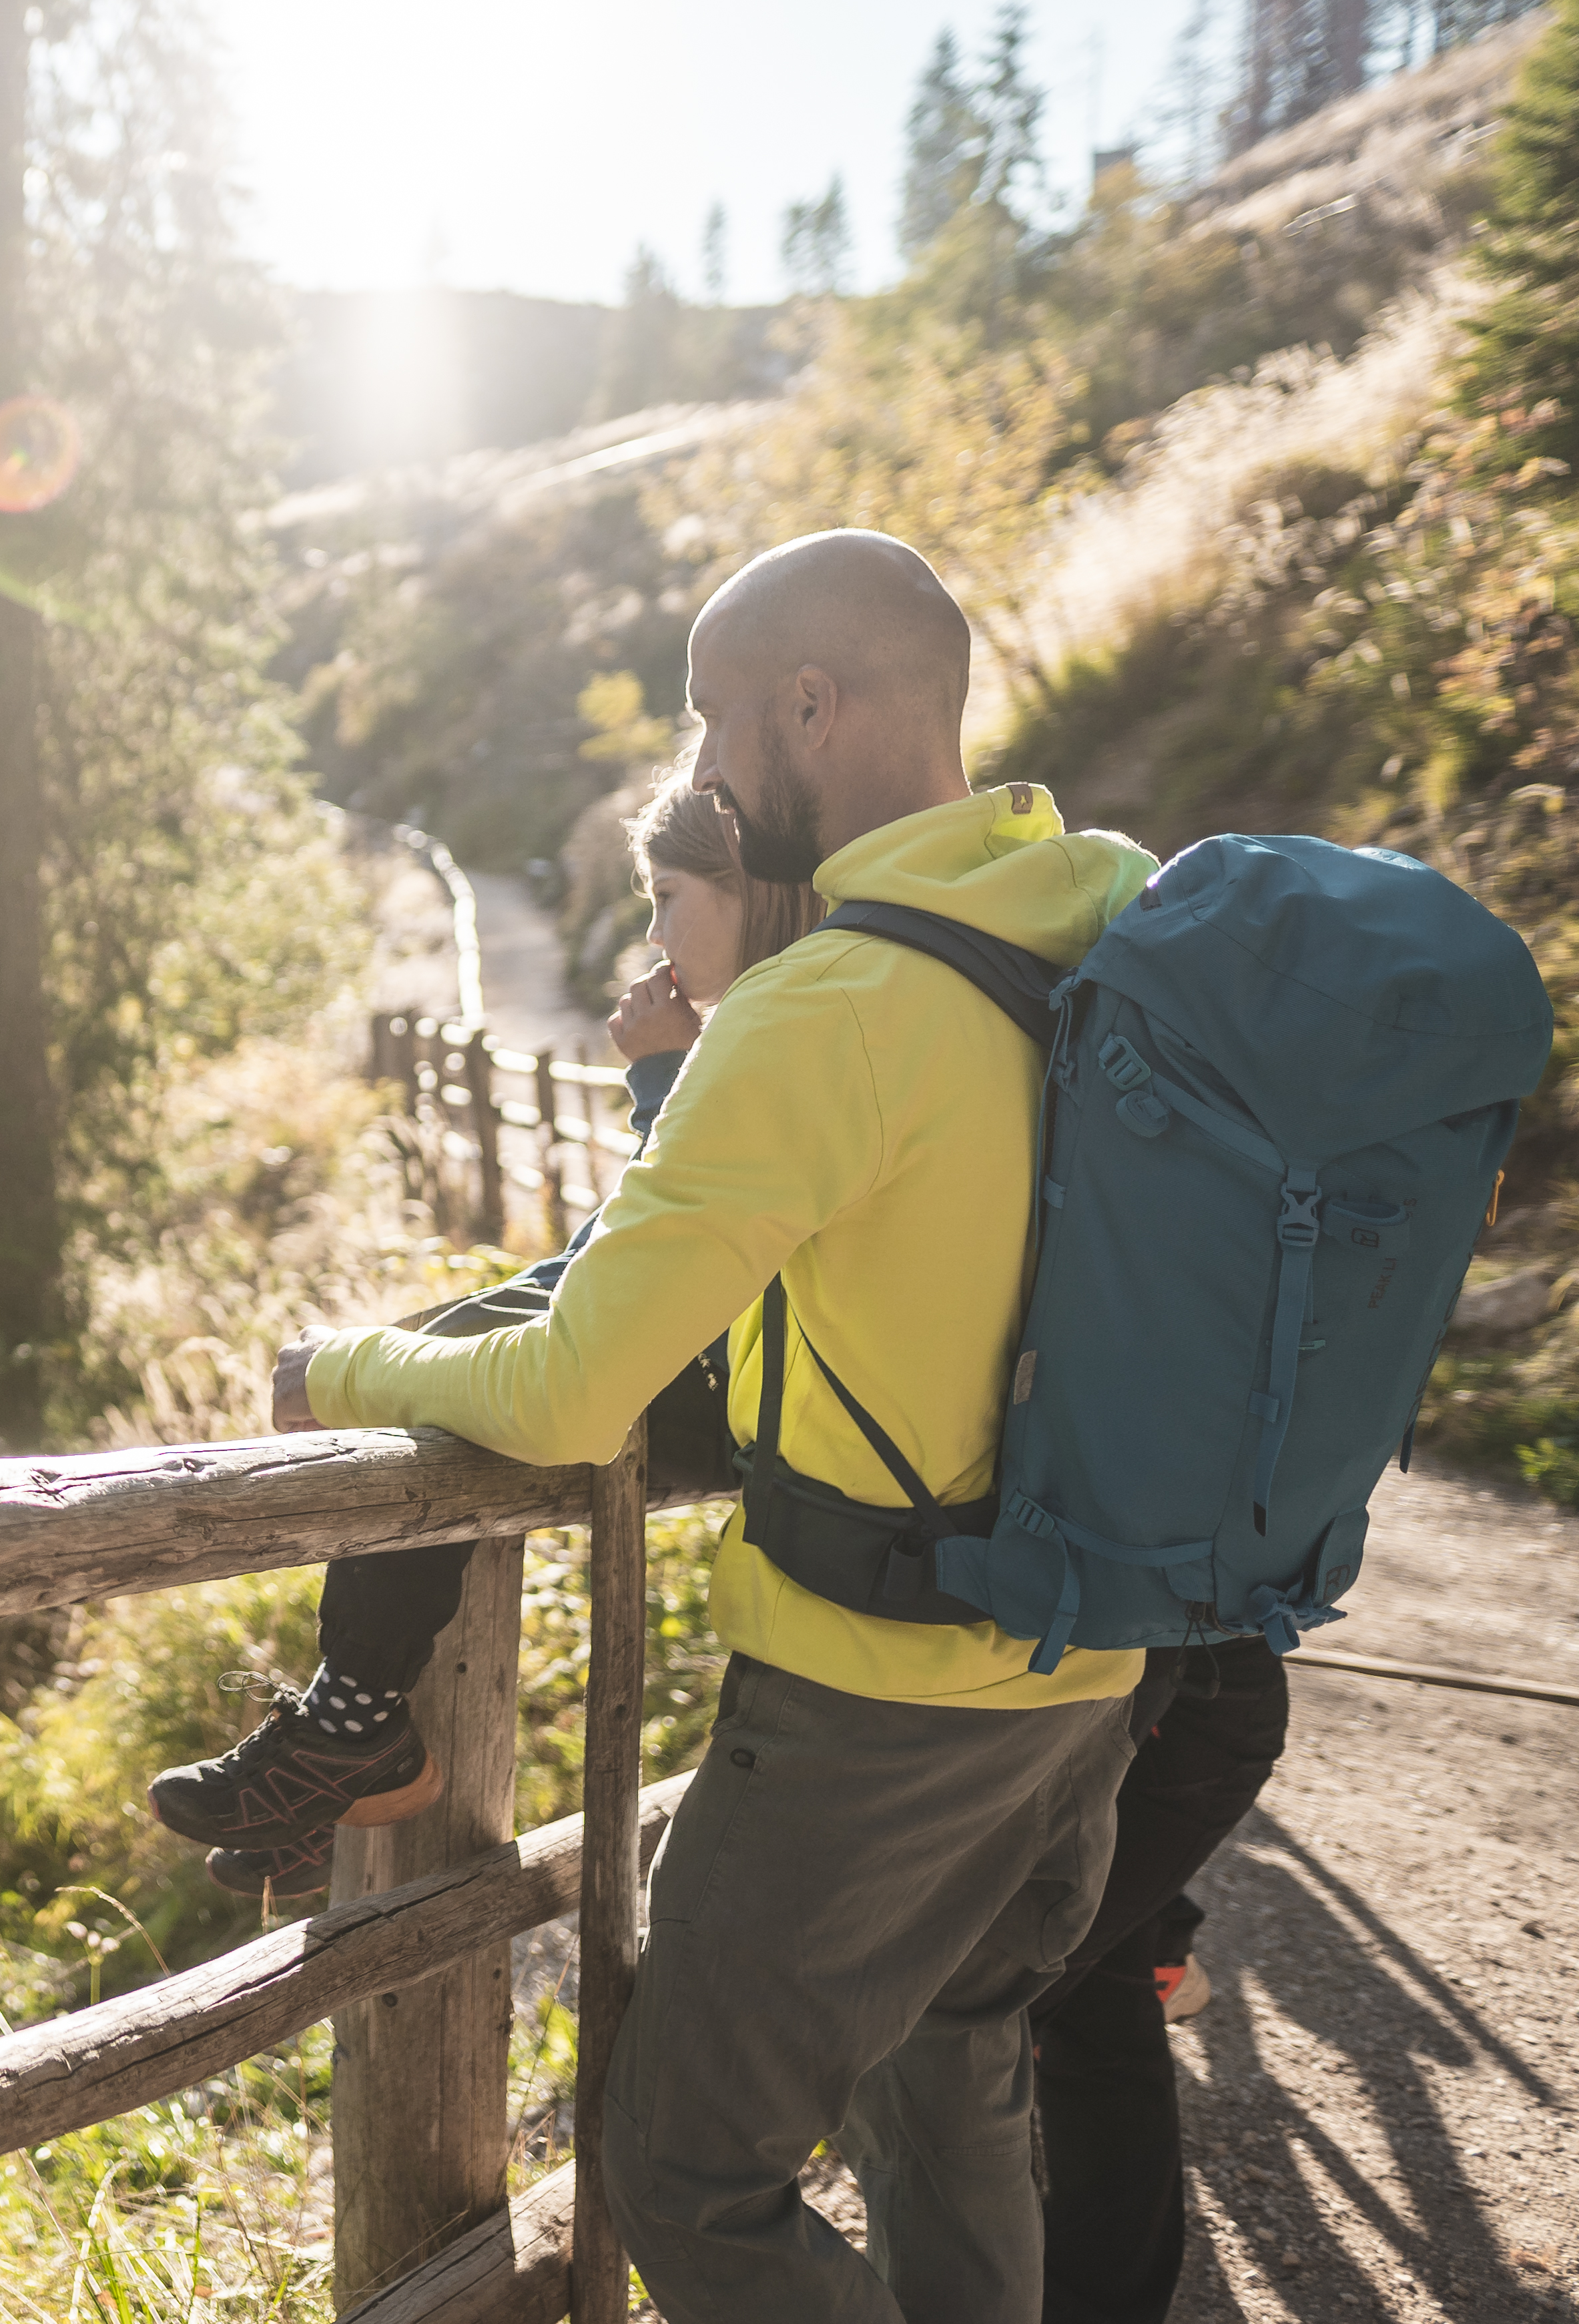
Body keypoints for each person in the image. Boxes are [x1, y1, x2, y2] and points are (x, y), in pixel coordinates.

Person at [266, 530, 1155, 2324]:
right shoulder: (1098, 899)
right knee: (949, 2084)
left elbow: (572, 1388)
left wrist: (343, 1372)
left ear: (809, 707)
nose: (705, 774)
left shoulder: (831, 1005)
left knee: (683, 2171)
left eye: (714, 725)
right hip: (1089, 1660)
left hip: (881, 1697)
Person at [147, 766, 817, 1899]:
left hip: (729, 1383)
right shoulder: (772, 1018)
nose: (651, 930)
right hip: (705, 1353)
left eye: (667, 897)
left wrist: (660, 1073)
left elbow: (708, 1239)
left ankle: (350, 1732)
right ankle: (338, 1757)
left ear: (744, 889)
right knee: (434, 1346)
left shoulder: (789, 1024)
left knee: (438, 1388)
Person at [1031, 1643, 1288, 2323]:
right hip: (1105, 1716)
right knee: (1090, 2006)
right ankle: (1086, 2298)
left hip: (1184, 1718)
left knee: (1003, 2007)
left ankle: (1056, 2297)